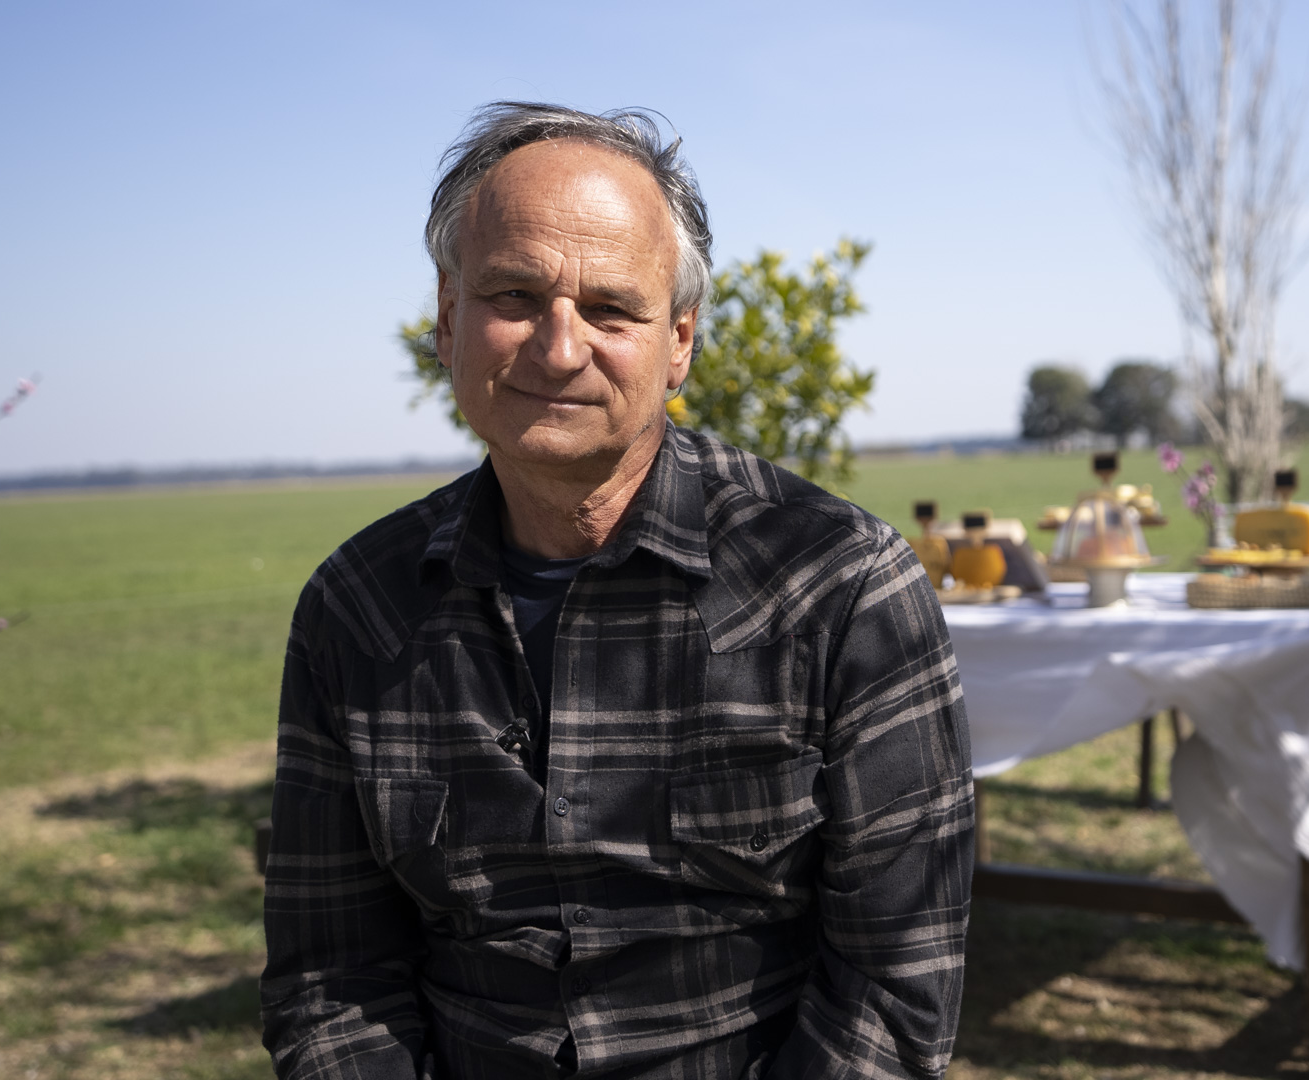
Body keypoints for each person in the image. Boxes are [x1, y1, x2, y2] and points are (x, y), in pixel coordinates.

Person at [260, 102, 974, 1079]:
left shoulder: (840, 588)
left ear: (679, 341)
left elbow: (893, 992)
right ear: (445, 317)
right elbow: (331, 978)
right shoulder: (361, 608)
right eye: (514, 295)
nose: (559, 348)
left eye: (610, 309)